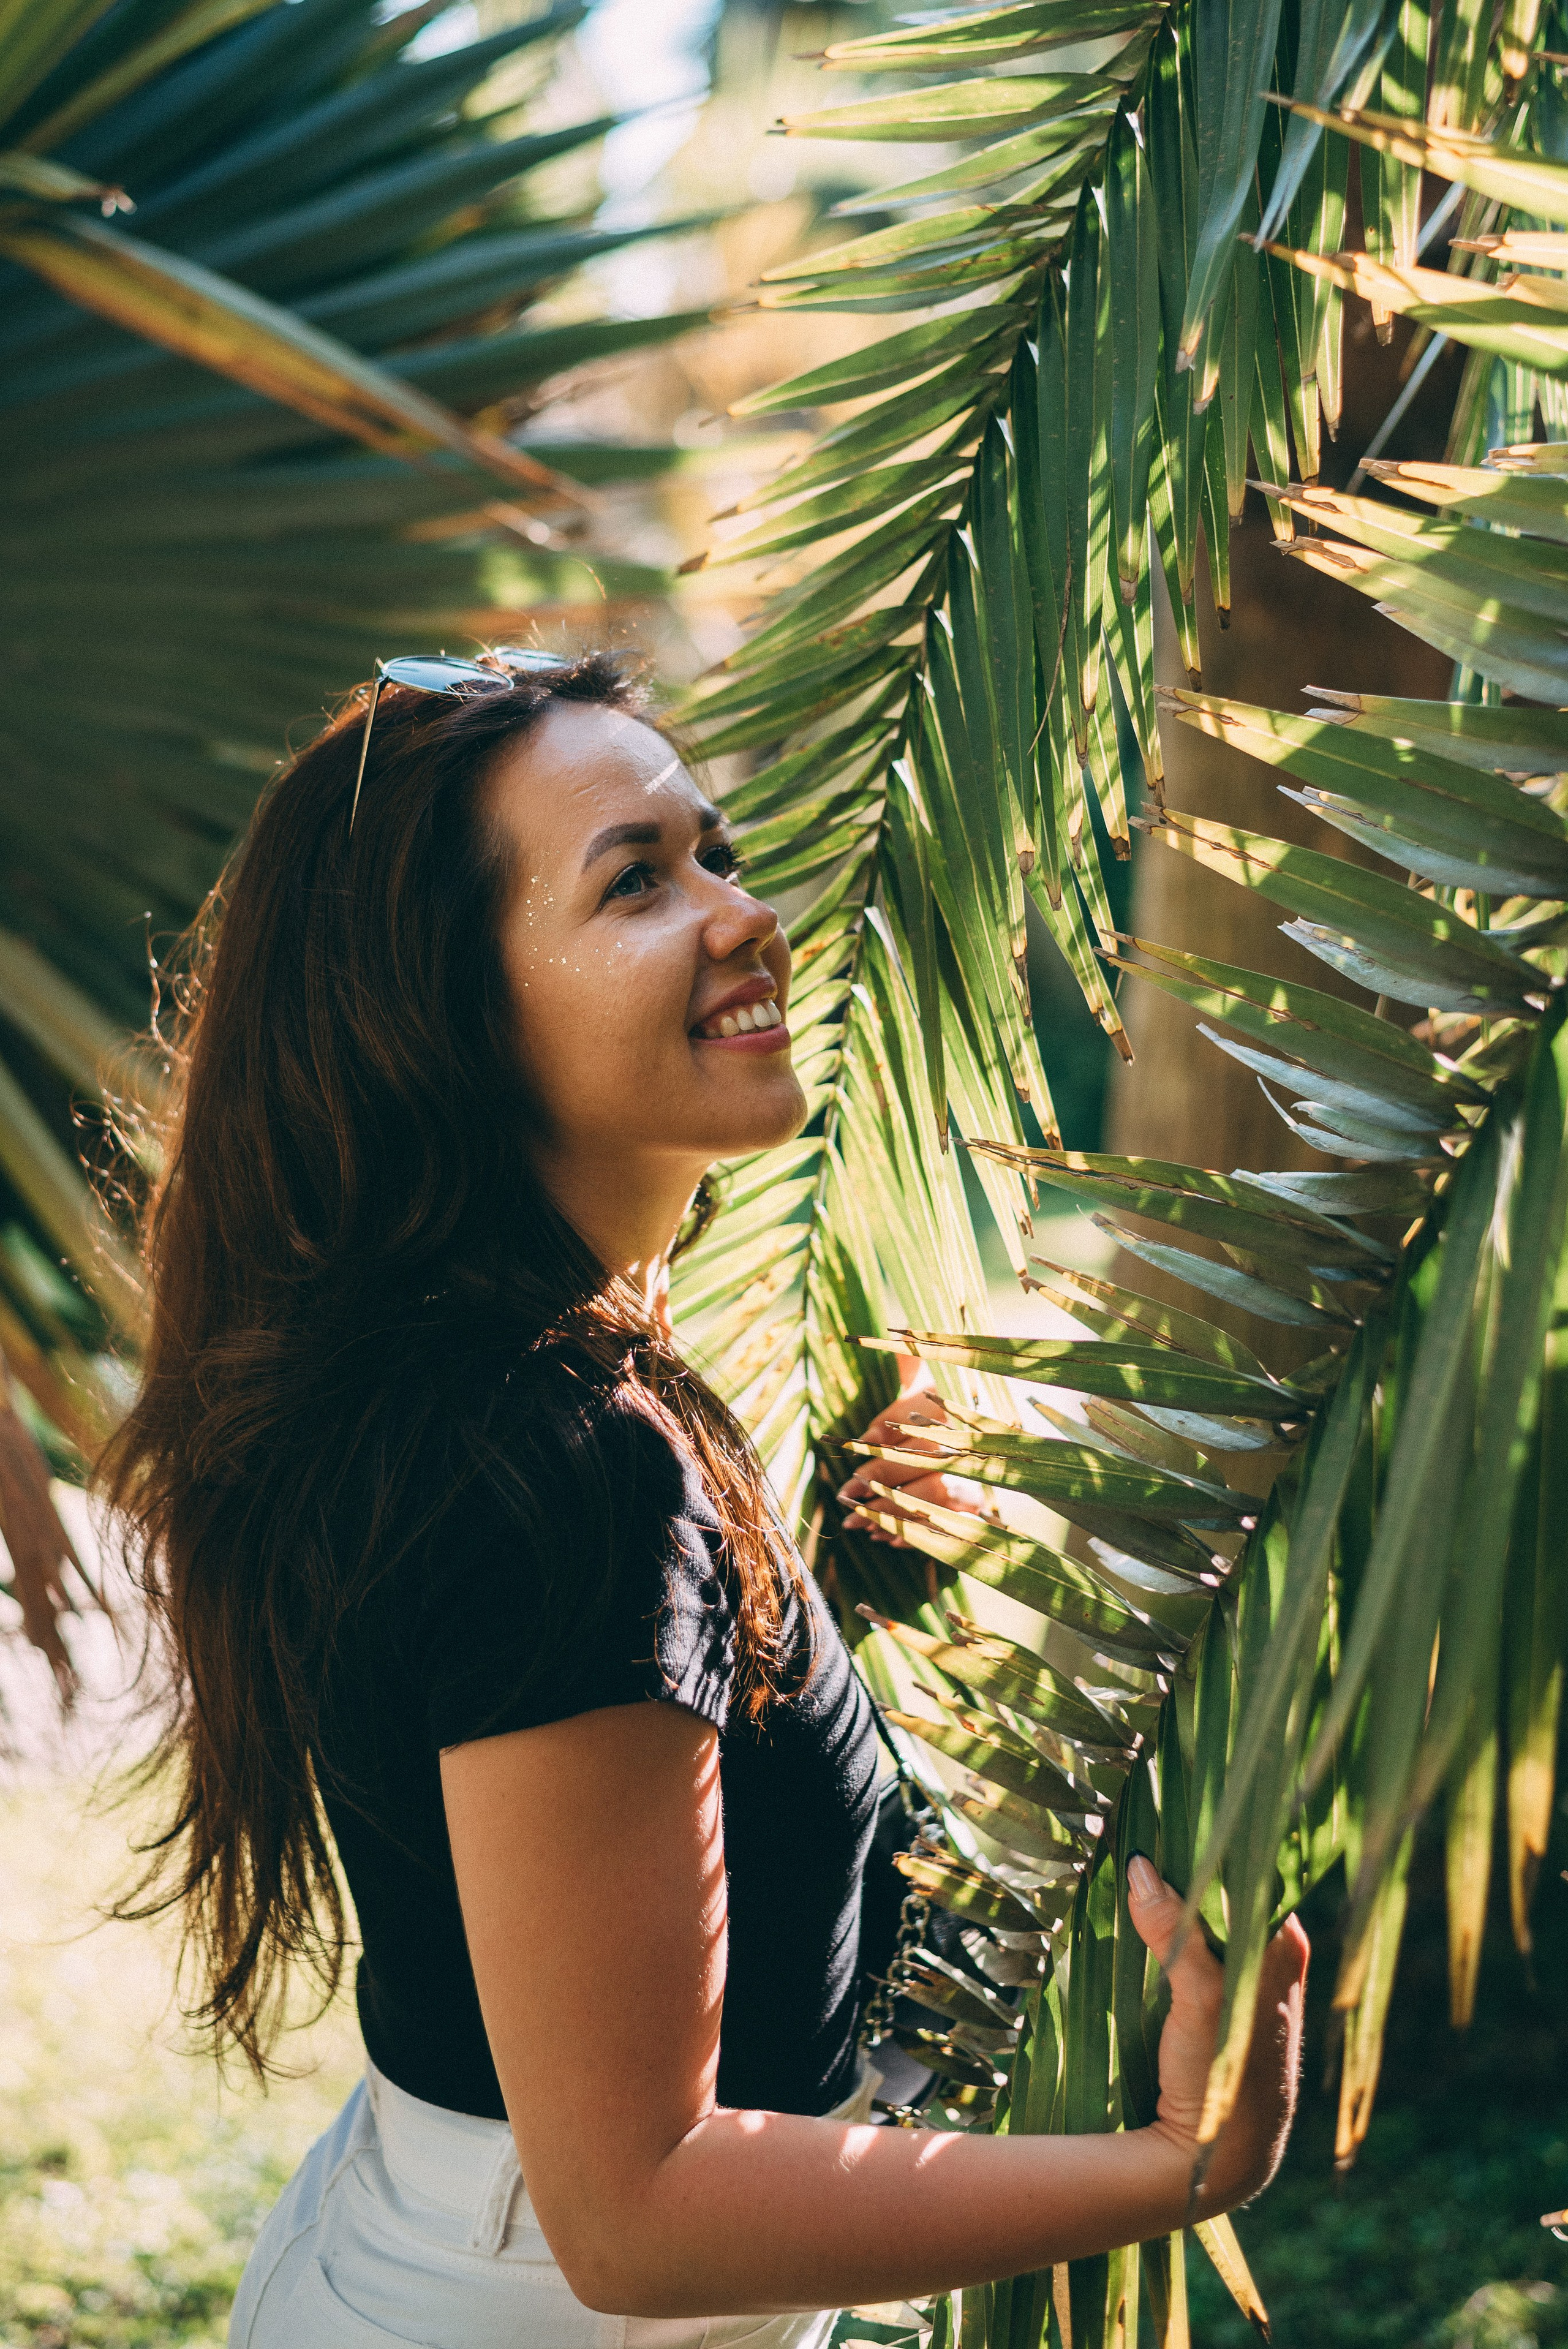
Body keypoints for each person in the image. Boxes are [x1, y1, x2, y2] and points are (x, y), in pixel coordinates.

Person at [100, 649, 1306, 2349]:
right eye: (637, 882)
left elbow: (538, 1708)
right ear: (451, 1013)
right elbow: (635, 2211)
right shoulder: (562, 1466)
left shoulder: (462, 1374)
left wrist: (818, 1598)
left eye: (714, 854)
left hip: (428, 2247)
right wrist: (1181, 2166)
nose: (747, 917)